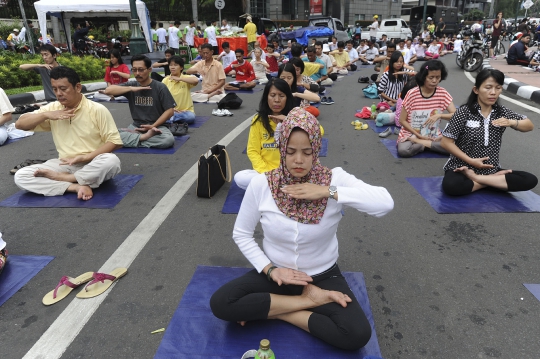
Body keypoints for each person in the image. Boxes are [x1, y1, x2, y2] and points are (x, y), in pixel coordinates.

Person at [210, 107, 394, 351]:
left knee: (356, 334)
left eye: (307, 152)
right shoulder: (262, 183)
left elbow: (385, 203)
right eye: (291, 151)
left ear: (316, 149)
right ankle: (304, 301)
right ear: (282, 149)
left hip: (323, 276)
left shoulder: (333, 178)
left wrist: (327, 191)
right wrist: (270, 269)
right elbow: (241, 234)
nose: (299, 160)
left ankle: (275, 311)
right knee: (222, 303)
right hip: (276, 275)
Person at [14, 67, 122, 201]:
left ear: (77, 87)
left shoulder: (97, 109)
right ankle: (74, 186)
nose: (58, 93)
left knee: (112, 161)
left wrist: (84, 158)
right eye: (54, 89)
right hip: (65, 165)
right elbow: (20, 124)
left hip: (93, 163)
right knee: (21, 175)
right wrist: (47, 115)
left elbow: (114, 142)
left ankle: (67, 179)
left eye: (63, 89)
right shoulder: (53, 108)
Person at [440, 69, 537, 196]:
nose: (493, 93)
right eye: (488, 88)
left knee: (530, 180)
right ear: (476, 90)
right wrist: (471, 161)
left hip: (491, 169)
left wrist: (512, 122)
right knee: (452, 187)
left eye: (498, 88)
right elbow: (446, 142)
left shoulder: (501, 112)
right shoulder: (464, 112)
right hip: (461, 168)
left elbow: (529, 125)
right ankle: (492, 182)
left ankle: (478, 180)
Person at [233, 79, 295, 190]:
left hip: (292, 172)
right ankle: (279, 188)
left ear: (288, 98)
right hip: (266, 172)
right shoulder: (259, 120)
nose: (276, 100)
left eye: (281, 96)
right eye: (272, 95)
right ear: (266, 97)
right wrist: (267, 173)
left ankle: (274, 189)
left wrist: (289, 121)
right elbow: (252, 150)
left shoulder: (295, 116)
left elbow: (318, 131)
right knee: (240, 178)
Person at [103, 55, 176, 148]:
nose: (137, 73)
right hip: (136, 127)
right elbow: (108, 90)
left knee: (167, 140)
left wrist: (153, 126)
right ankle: (143, 138)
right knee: (107, 135)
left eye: (141, 70)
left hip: (156, 127)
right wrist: (130, 89)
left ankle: (133, 140)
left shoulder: (160, 87)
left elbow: (170, 111)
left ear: (149, 69)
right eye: (134, 70)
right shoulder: (132, 85)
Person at [397, 60, 456, 157]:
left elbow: (455, 115)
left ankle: (422, 144)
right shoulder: (412, 93)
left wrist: (439, 115)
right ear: (423, 77)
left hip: (434, 136)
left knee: (456, 149)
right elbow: (402, 120)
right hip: (411, 134)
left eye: (438, 77)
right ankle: (423, 143)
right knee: (403, 150)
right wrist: (418, 136)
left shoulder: (443, 93)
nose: (434, 81)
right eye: (431, 77)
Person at [162, 56, 198, 124]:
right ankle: (172, 118)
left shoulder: (185, 78)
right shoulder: (166, 80)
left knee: (190, 117)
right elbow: (161, 96)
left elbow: (196, 80)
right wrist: (171, 109)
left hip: (186, 111)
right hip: (171, 110)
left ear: (181, 67)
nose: (172, 67)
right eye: (170, 65)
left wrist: (180, 79)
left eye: (175, 65)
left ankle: (170, 119)